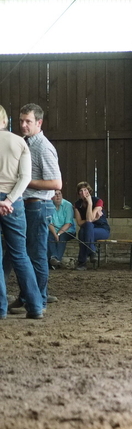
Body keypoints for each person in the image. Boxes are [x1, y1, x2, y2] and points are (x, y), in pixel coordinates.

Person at [8, 103, 62, 315]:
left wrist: (25, 181)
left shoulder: (43, 147)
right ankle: (29, 297)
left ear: (39, 123)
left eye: (28, 121)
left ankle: (38, 301)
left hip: (38, 205)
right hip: (30, 205)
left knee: (37, 255)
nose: (23, 125)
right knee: (29, 254)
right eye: (21, 121)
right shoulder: (26, 143)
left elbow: (56, 184)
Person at [0, 104, 43, 319]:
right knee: (20, 255)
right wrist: (8, 200)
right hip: (14, 203)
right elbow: (25, 178)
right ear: (6, 121)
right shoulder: (19, 142)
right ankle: (35, 306)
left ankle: (0, 309)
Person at [73, 182, 110, 270]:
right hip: (87, 230)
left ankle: (82, 263)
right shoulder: (77, 204)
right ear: (78, 194)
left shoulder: (97, 201)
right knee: (83, 231)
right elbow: (79, 222)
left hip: (101, 229)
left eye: (85, 190)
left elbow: (88, 220)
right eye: (80, 191)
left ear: (89, 191)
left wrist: (90, 203)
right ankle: (92, 252)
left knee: (84, 231)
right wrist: (94, 219)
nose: (83, 193)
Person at [48, 189, 77, 268]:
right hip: (53, 230)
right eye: (55, 194)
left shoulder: (68, 205)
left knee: (62, 237)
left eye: (59, 194)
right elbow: (49, 223)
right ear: (51, 197)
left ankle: (55, 259)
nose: (58, 196)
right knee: (49, 236)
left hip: (67, 231)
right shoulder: (49, 205)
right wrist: (55, 234)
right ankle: (53, 258)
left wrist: (58, 233)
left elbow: (68, 223)